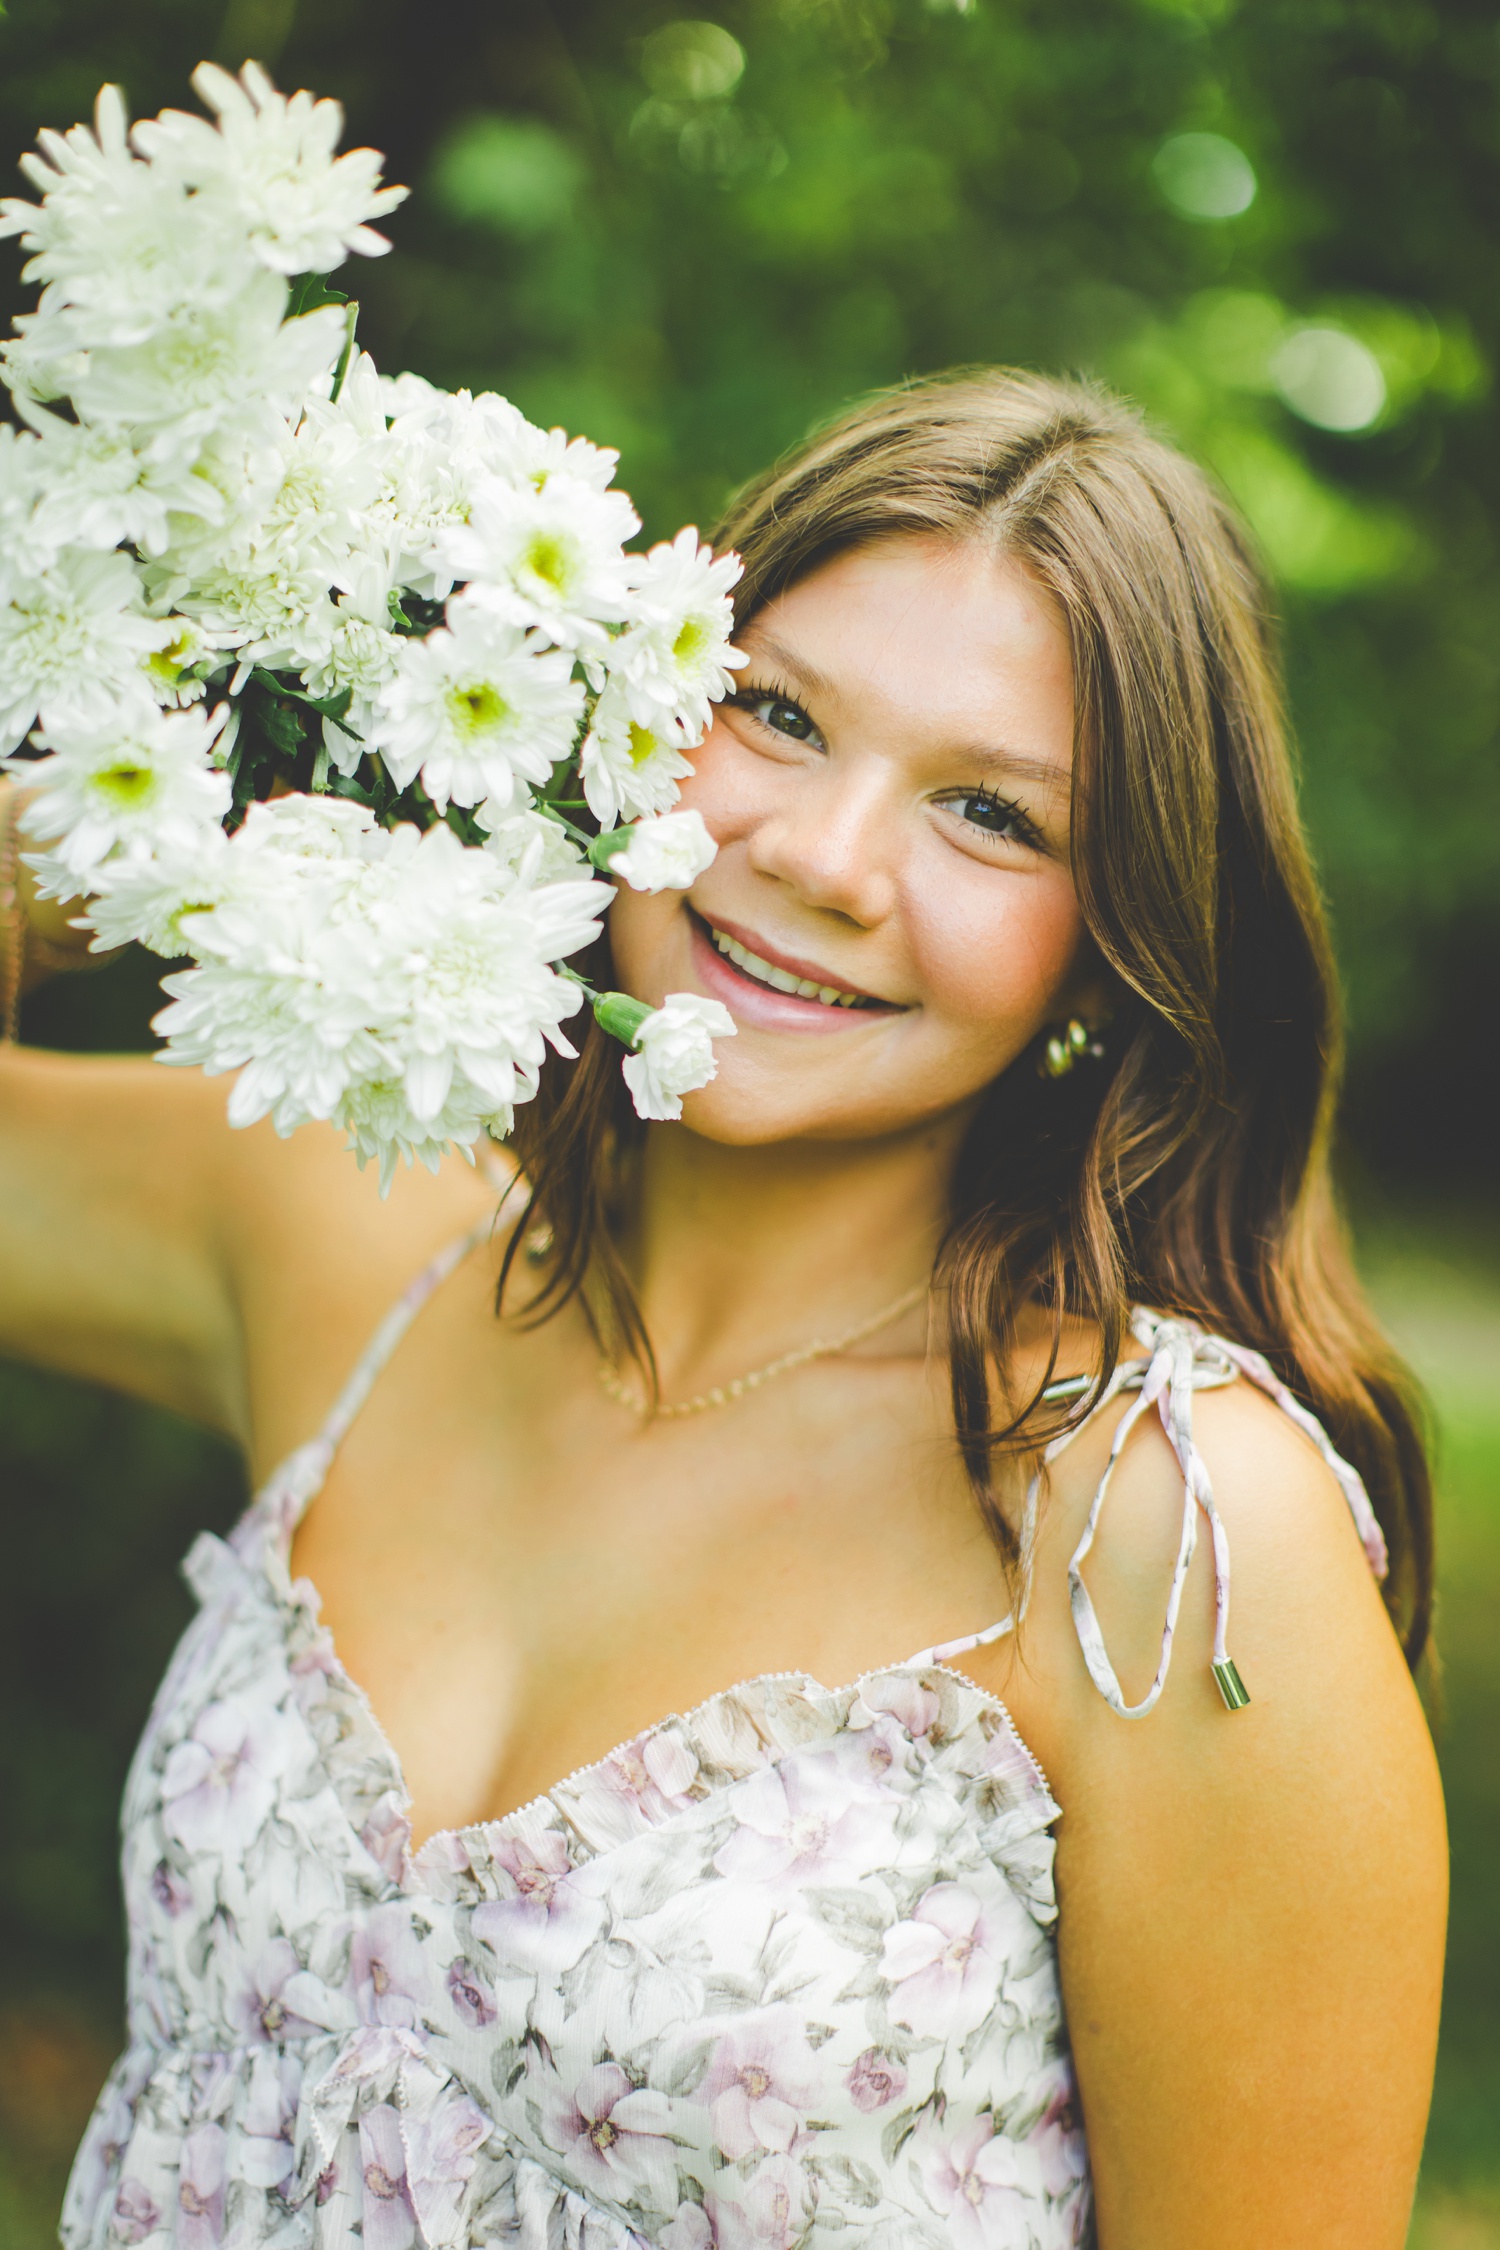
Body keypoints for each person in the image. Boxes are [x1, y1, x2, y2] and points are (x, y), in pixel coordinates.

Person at [0, 370, 1446, 2250]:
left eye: (991, 815)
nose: (825, 860)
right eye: (771, 711)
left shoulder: (1168, 1532)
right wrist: (121, 830)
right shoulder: (353, 1239)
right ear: (621, 692)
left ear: (1112, 941)